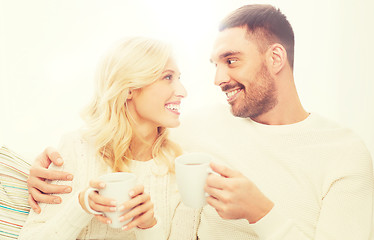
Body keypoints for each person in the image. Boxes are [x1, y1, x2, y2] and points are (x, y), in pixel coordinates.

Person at [27, 4, 374, 240]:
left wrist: (262, 213)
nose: (217, 78)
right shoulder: (190, 132)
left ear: (276, 57)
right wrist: (40, 171)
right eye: (214, 64)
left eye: (232, 60)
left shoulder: (343, 154)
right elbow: (125, 136)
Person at [19, 37, 199, 240]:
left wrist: (148, 226)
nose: (183, 91)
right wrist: (81, 205)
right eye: (168, 77)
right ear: (129, 88)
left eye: (179, 78)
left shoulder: (185, 170)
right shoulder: (76, 149)